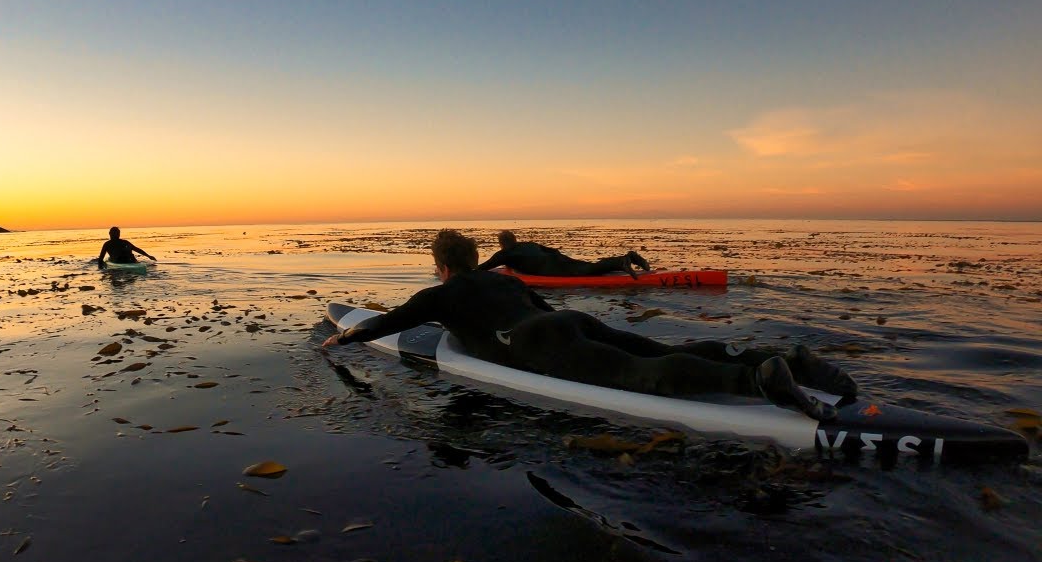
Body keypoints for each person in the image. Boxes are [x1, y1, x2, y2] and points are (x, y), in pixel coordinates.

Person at [323, 229, 856, 420]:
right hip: (569, 321)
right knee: (650, 349)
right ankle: (783, 360)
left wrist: (342, 337)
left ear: (441, 265)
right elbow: (544, 309)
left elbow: (384, 324)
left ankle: (756, 382)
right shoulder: (506, 281)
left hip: (536, 343)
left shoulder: (440, 294)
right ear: (476, 254)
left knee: (643, 375)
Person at [476, 230, 652, 279]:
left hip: (551, 268)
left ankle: (623, 262)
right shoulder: (527, 244)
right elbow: (551, 250)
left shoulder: (504, 254)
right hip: (556, 258)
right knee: (588, 267)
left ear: (502, 244)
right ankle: (627, 257)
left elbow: (483, 268)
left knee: (587, 272)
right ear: (514, 239)